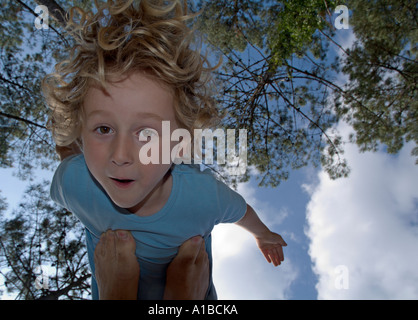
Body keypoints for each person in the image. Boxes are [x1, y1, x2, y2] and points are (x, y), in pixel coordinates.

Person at [44, 0, 287, 300]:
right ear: (82, 132)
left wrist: (264, 235)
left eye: (146, 133)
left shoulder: (202, 196)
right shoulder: (74, 181)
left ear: (179, 143)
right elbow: (68, 160)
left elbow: (241, 211)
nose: (120, 155)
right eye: (103, 129)